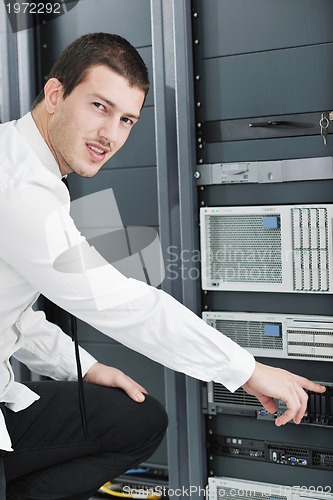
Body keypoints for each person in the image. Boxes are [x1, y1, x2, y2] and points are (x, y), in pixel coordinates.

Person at [0, 32, 325, 500]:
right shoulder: (20, 190)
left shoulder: (25, 164)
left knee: (137, 420)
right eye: (99, 107)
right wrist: (247, 370)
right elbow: (118, 302)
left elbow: (13, 310)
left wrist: (85, 368)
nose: (110, 135)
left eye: (126, 118)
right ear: (55, 95)